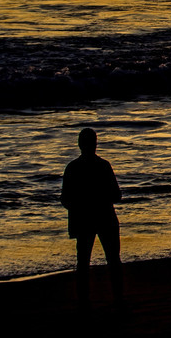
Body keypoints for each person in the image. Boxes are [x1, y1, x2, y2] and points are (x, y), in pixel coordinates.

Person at [61, 128, 123, 304]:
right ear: (95, 144)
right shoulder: (103, 165)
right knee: (113, 260)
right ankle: (118, 299)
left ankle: (84, 303)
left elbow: (65, 200)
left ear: (79, 145)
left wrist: (80, 206)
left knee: (83, 263)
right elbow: (117, 196)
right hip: (105, 217)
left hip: (84, 221)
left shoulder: (73, 168)